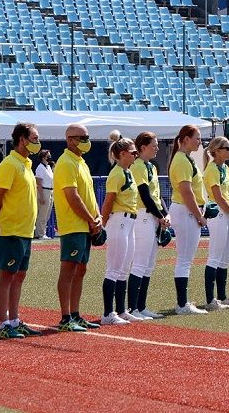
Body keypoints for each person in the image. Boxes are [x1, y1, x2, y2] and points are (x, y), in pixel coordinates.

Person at [0, 122, 42, 339]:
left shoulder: (27, 164)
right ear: (22, 139)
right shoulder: (10, 164)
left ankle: (14, 320)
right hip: (11, 230)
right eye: (34, 138)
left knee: (19, 276)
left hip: (25, 231)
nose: (37, 142)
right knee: (7, 276)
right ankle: (4, 323)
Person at [54, 123, 102, 332]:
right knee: (69, 270)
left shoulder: (80, 162)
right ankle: (66, 317)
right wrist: (91, 219)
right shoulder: (66, 163)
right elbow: (72, 196)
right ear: (71, 139)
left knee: (80, 270)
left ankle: (75, 314)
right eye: (82, 137)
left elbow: (88, 196)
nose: (86, 141)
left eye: (87, 137)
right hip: (73, 224)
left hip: (85, 225)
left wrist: (97, 216)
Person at [128, 132, 169, 319]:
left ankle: (141, 306)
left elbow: (157, 195)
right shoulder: (137, 166)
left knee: (148, 264)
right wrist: (160, 215)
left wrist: (165, 214)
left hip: (153, 216)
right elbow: (144, 194)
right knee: (140, 263)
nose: (157, 148)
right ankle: (133, 308)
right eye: (154, 145)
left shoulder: (150, 166)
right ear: (143, 147)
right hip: (144, 216)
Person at [100, 136, 140, 325]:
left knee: (124, 269)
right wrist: (103, 223)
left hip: (129, 222)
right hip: (119, 221)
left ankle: (121, 310)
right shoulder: (117, 173)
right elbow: (108, 202)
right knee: (114, 269)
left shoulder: (128, 172)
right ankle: (108, 313)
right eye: (132, 152)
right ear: (122, 154)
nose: (135, 155)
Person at [168, 125, 207, 314]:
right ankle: (182, 304)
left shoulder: (186, 159)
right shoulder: (182, 160)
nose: (200, 141)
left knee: (186, 258)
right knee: (185, 259)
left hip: (187, 210)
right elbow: (186, 192)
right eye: (197, 138)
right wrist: (199, 215)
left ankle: (183, 302)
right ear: (185, 139)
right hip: (185, 211)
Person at [202, 136, 229, 310]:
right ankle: (211, 300)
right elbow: (218, 197)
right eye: (226, 148)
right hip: (218, 214)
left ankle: (222, 296)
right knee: (215, 257)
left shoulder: (225, 168)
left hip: (228, 213)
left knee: (225, 258)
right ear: (216, 151)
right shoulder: (212, 169)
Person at [34, 150, 53, 239]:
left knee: (47, 214)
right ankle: (40, 233)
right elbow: (39, 183)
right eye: (47, 156)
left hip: (50, 191)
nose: (49, 157)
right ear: (43, 157)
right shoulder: (40, 168)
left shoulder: (48, 167)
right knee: (42, 213)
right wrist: (41, 196)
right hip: (44, 191)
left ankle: (42, 232)